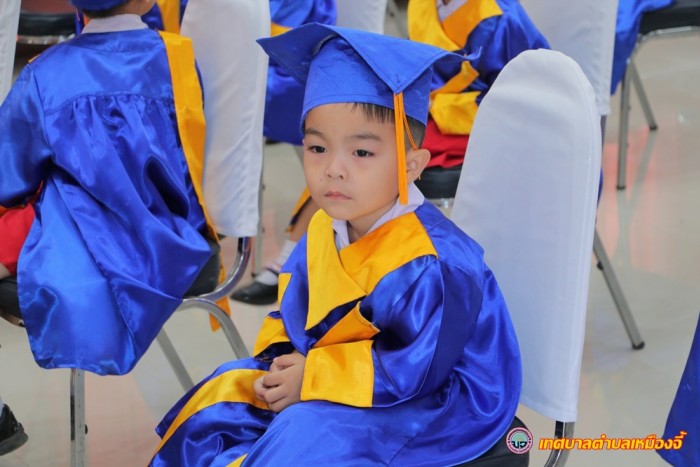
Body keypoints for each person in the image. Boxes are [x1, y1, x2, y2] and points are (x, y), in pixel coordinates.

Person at [150, 23, 521, 466]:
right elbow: (292, 312)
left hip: (440, 402)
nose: (333, 169)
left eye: (361, 153)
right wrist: (284, 360)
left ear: (412, 165)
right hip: (342, 372)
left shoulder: (433, 262)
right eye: (317, 148)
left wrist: (313, 378)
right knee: (222, 395)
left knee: (302, 436)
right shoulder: (326, 226)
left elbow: (415, 371)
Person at [0, 0, 219, 376]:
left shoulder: (46, 72)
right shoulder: (180, 60)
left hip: (80, 234)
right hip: (173, 234)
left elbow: (10, 176)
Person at [408, 0, 549, 169]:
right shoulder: (422, 4)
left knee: (406, 152)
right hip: (424, 105)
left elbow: (513, 101)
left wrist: (436, 106)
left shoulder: (500, 20)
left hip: (480, 117)